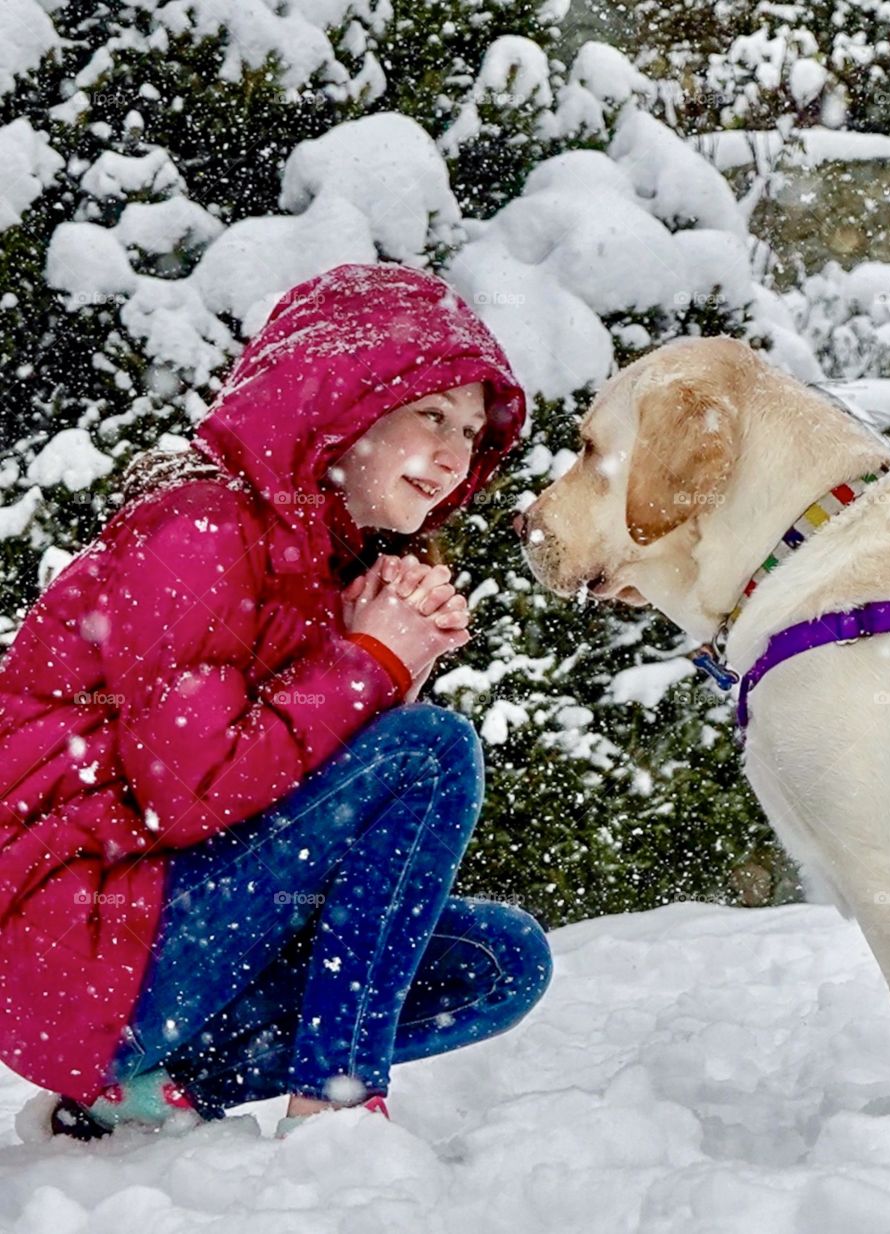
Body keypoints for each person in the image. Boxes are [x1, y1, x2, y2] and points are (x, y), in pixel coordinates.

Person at [0, 263, 552, 1141]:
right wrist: (369, 662)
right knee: (428, 752)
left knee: (499, 962)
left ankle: (155, 1094)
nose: (453, 456)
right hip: (77, 942)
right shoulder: (201, 528)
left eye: (472, 432)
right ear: (341, 410)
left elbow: (292, 792)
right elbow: (190, 793)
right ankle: (337, 1106)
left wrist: (382, 661)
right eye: (431, 416)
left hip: (145, 947)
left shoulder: (305, 557)